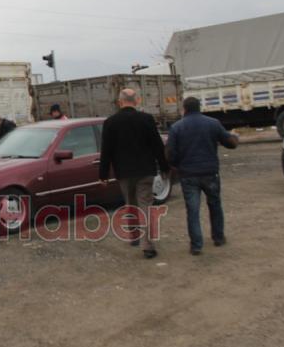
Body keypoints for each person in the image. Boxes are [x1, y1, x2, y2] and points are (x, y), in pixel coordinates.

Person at [99, 89, 169, 259]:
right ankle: (148, 246)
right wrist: (164, 167)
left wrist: (103, 174)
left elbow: (106, 150)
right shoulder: (146, 119)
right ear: (136, 101)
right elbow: (157, 146)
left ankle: (134, 236)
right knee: (145, 206)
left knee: (130, 204)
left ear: (120, 102)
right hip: (145, 171)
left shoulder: (110, 122)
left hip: (124, 172)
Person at [166, 97, 239, 256]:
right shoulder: (213, 123)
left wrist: (179, 166)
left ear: (184, 109)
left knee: (192, 210)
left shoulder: (177, 127)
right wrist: (235, 137)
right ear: (199, 108)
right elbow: (230, 143)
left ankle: (196, 246)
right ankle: (218, 237)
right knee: (215, 205)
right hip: (210, 172)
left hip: (188, 175)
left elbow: (170, 154)